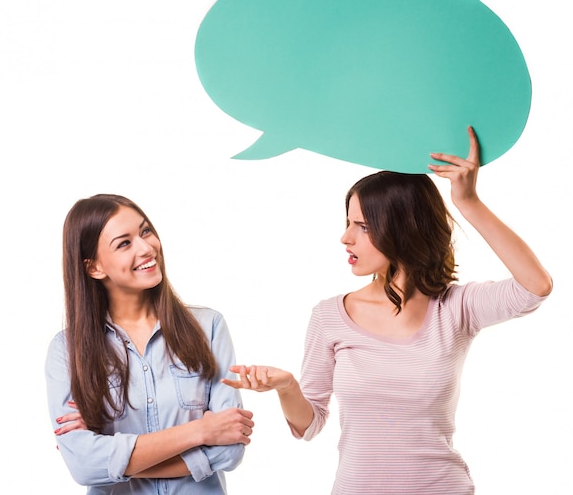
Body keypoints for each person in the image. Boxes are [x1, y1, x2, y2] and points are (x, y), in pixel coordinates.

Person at [223, 126, 553, 494]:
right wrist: (287, 386)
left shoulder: (456, 308)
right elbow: (309, 424)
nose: (345, 237)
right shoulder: (329, 316)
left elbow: (534, 287)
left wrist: (468, 202)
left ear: (403, 229)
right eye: (348, 222)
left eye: (362, 226)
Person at [45, 194, 254, 494]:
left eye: (145, 231)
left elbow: (230, 450)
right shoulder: (67, 351)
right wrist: (200, 431)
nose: (147, 248)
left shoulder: (209, 327)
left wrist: (116, 462)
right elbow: (84, 466)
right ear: (94, 268)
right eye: (124, 243)